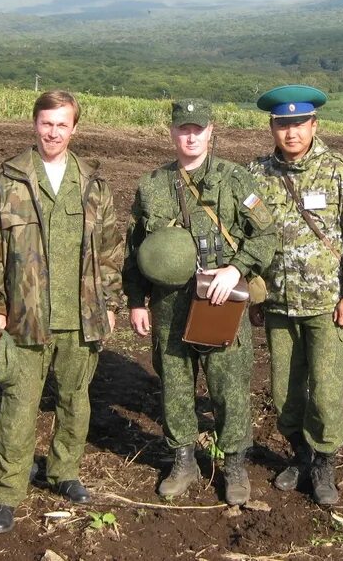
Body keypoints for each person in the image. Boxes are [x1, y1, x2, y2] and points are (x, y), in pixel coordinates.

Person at [0, 90, 123, 534]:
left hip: (81, 315)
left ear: (74, 128)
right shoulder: (8, 180)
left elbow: (112, 250)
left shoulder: (93, 184)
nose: (53, 132)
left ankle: (64, 471)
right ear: (34, 124)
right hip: (26, 314)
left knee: (76, 400)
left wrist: (109, 302)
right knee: (19, 405)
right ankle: (5, 492)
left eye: (62, 124)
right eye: (46, 123)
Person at [124, 99, 276, 506]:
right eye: (182, 128)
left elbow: (265, 235)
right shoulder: (151, 186)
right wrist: (137, 301)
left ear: (211, 131)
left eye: (198, 129)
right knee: (174, 386)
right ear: (171, 132)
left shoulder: (234, 179)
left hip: (219, 301)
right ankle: (183, 459)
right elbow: (134, 250)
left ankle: (234, 465)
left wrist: (237, 269)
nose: (190, 136)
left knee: (229, 386)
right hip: (169, 306)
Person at [248, 85, 343, 506]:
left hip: (328, 305)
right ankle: (300, 455)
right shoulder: (255, 175)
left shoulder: (341, 172)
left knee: (325, 391)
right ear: (272, 127)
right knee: (284, 392)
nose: (291, 132)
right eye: (283, 124)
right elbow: (245, 236)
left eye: (299, 124)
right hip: (278, 306)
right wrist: (253, 294)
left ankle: (324, 464)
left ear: (314, 125)